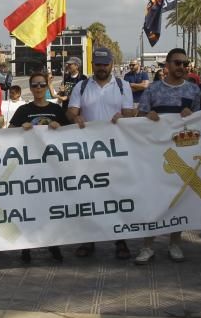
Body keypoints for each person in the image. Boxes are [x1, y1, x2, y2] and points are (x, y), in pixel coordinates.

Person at [67, 47, 137, 259]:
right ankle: (88, 240)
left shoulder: (123, 86)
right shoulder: (82, 85)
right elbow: (71, 111)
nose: (101, 68)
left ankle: (120, 240)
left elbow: (128, 113)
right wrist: (74, 117)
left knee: (116, 195)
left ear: (111, 65)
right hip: (88, 151)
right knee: (89, 195)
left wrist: (127, 116)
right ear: (92, 65)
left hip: (115, 151)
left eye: (105, 64)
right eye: (98, 64)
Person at [137, 48, 201, 263]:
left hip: (183, 153)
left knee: (178, 198)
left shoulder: (194, 91)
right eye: (177, 63)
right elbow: (140, 117)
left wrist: (192, 116)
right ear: (167, 65)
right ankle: (147, 246)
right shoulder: (153, 90)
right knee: (153, 199)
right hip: (156, 154)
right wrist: (149, 115)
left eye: (185, 63)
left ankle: (175, 242)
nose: (181, 67)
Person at [9, 69, 65, 263]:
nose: (39, 88)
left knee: (51, 207)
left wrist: (61, 127)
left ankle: (53, 244)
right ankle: (27, 247)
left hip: (51, 168)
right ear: (30, 88)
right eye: (35, 85)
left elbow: (71, 135)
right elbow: (8, 134)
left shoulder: (57, 110)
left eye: (42, 84)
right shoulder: (23, 111)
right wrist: (19, 129)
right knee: (29, 208)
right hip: (29, 167)